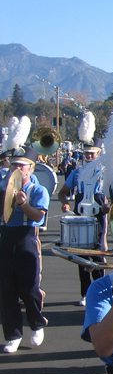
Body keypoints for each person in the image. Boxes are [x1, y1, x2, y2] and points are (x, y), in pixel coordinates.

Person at [0, 146, 51, 353]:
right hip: (6, 239)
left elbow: (38, 217)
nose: (16, 168)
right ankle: (13, 335)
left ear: (30, 168)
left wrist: (22, 205)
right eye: (14, 165)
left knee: (29, 288)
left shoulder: (38, 190)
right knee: (6, 290)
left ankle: (37, 324)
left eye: (21, 165)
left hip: (27, 239)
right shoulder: (3, 188)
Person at [57, 135, 109, 306]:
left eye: (92, 153)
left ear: (99, 153)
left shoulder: (106, 172)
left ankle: (102, 292)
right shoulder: (77, 172)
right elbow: (62, 192)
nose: (89, 156)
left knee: (99, 254)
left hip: (99, 217)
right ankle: (86, 293)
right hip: (81, 217)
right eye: (87, 153)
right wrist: (65, 204)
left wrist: (108, 206)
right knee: (82, 255)